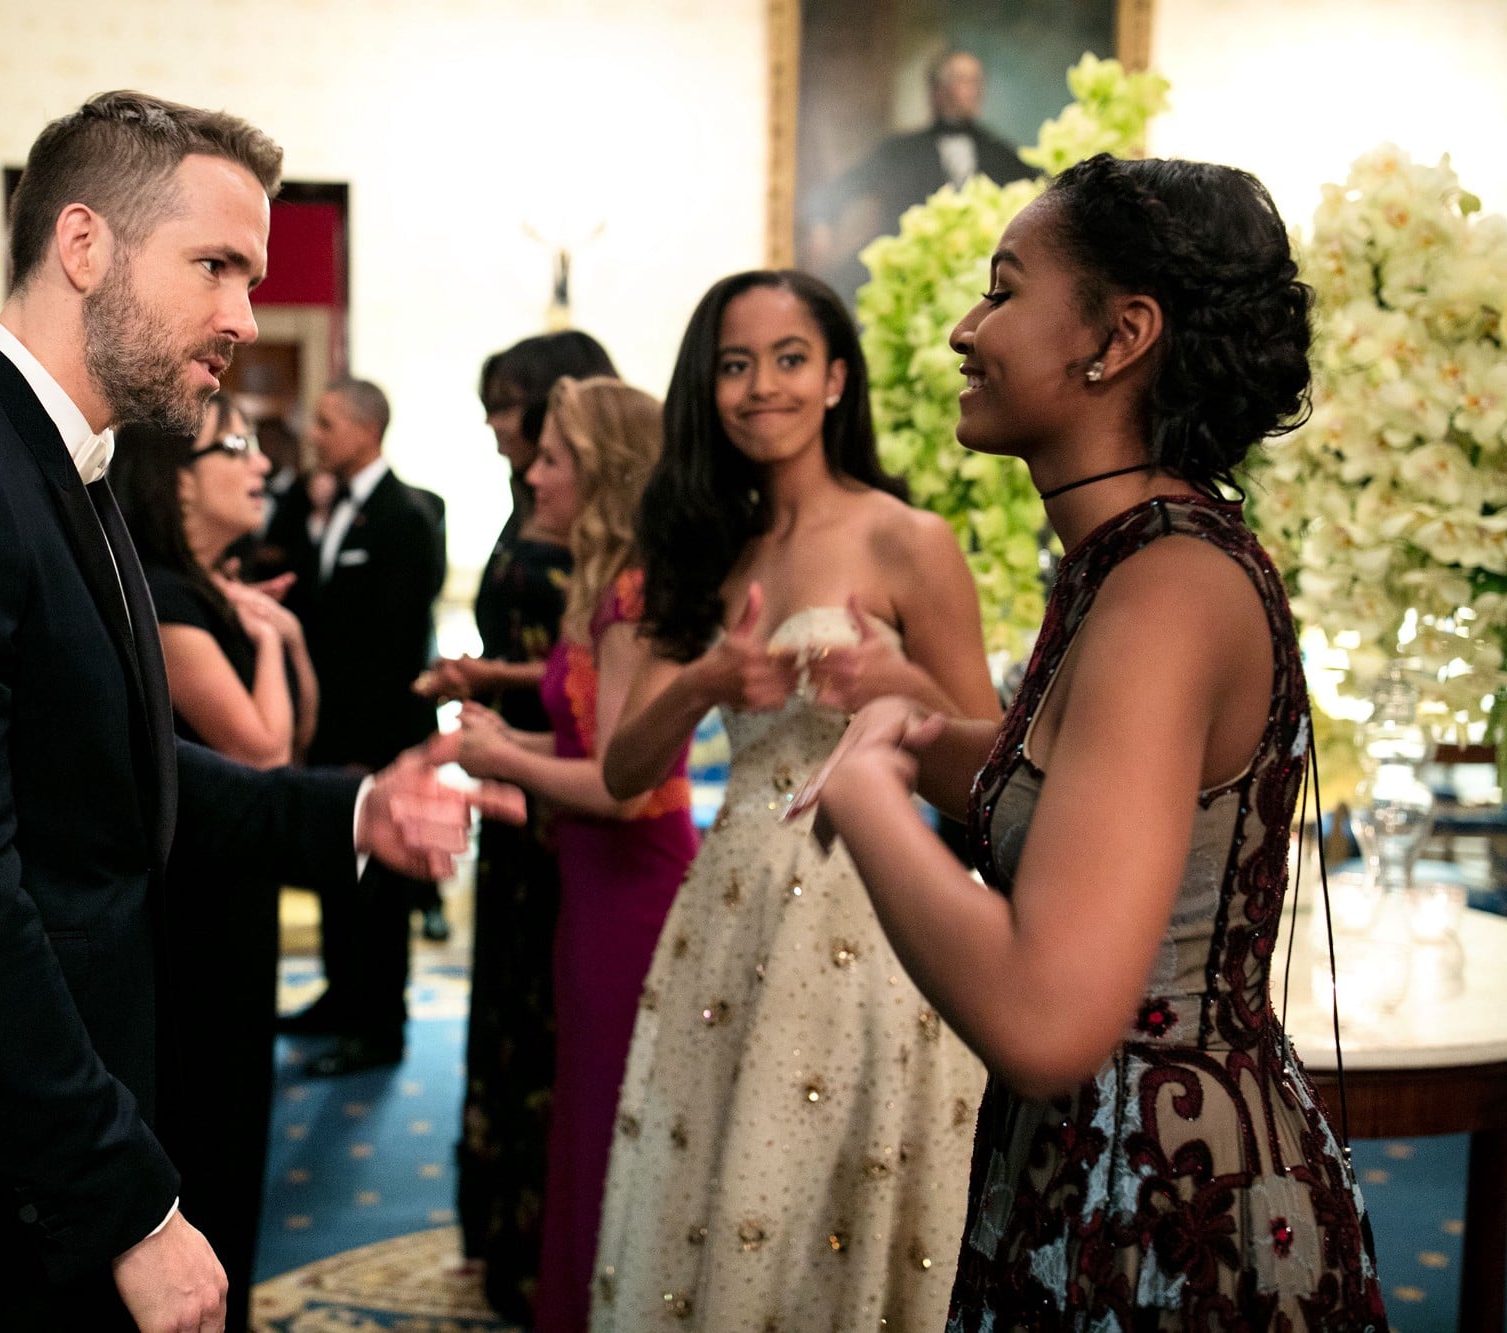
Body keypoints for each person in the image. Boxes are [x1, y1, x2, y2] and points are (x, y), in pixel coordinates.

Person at [0, 92, 520, 1332]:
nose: (244, 315)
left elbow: (101, 769)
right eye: (214, 265)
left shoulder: (61, 463)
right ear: (83, 246)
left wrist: (353, 808)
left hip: (21, 1160)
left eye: (252, 275)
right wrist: (123, 1201)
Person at [805, 154, 1388, 1329]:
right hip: (1101, 1165)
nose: (965, 329)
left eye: (1001, 290)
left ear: (1117, 338)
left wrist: (861, 793)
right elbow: (1085, 804)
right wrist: (916, 734)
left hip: (1163, 1195)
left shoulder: (1166, 587)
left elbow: (1046, 1018)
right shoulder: (1129, 557)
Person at [591, 270, 1000, 1331]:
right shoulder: (698, 545)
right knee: (716, 1206)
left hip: (875, 916)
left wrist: (900, 687)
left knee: (836, 1202)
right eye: (734, 363)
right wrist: (703, 683)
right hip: (724, 919)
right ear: (706, 386)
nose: (758, 386)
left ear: (834, 379)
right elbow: (621, 770)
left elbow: (992, 762)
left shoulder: (906, 537)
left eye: (785, 359)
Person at [455, 376, 696, 1333]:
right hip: (592, 883)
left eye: (554, 458)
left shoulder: (638, 593)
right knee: (589, 1116)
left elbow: (622, 784)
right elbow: (594, 752)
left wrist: (498, 756)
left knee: (611, 1119)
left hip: (634, 886)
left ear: (603, 474)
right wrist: (504, 749)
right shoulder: (606, 586)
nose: (536, 474)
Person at [417, 329, 617, 1321]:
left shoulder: (597, 534)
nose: (501, 428)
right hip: (516, 793)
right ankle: (504, 1235)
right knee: (502, 1008)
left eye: (515, 408)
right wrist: (486, 683)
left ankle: (543, 1246)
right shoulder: (527, 503)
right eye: (494, 408)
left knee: (545, 1026)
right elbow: (546, 664)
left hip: (558, 804)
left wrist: (502, 734)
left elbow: (596, 698)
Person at [110, 396, 317, 1333]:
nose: (261, 463)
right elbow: (266, 753)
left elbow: (298, 730)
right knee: (210, 1129)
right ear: (176, 476)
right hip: (193, 906)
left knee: (242, 1120)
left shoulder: (207, 584)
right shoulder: (165, 592)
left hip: (237, 888)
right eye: (236, 444)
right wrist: (270, 642)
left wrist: (284, 638)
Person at [273, 378, 449, 1078]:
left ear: (366, 429)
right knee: (336, 876)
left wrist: (363, 756)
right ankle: (341, 997)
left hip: (376, 736)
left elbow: (396, 649)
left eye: (326, 423)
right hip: (329, 735)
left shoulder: (406, 517)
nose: (314, 435)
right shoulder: (325, 506)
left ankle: (380, 1026)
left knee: (379, 890)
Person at [815, 51, 1038, 297]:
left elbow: (1040, 190)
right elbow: (846, 186)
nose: (971, 91)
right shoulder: (901, 151)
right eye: (961, 80)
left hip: (977, 278)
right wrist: (821, 223)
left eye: (975, 81)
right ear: (936, 90)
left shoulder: (999, 153)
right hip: (912, 276)